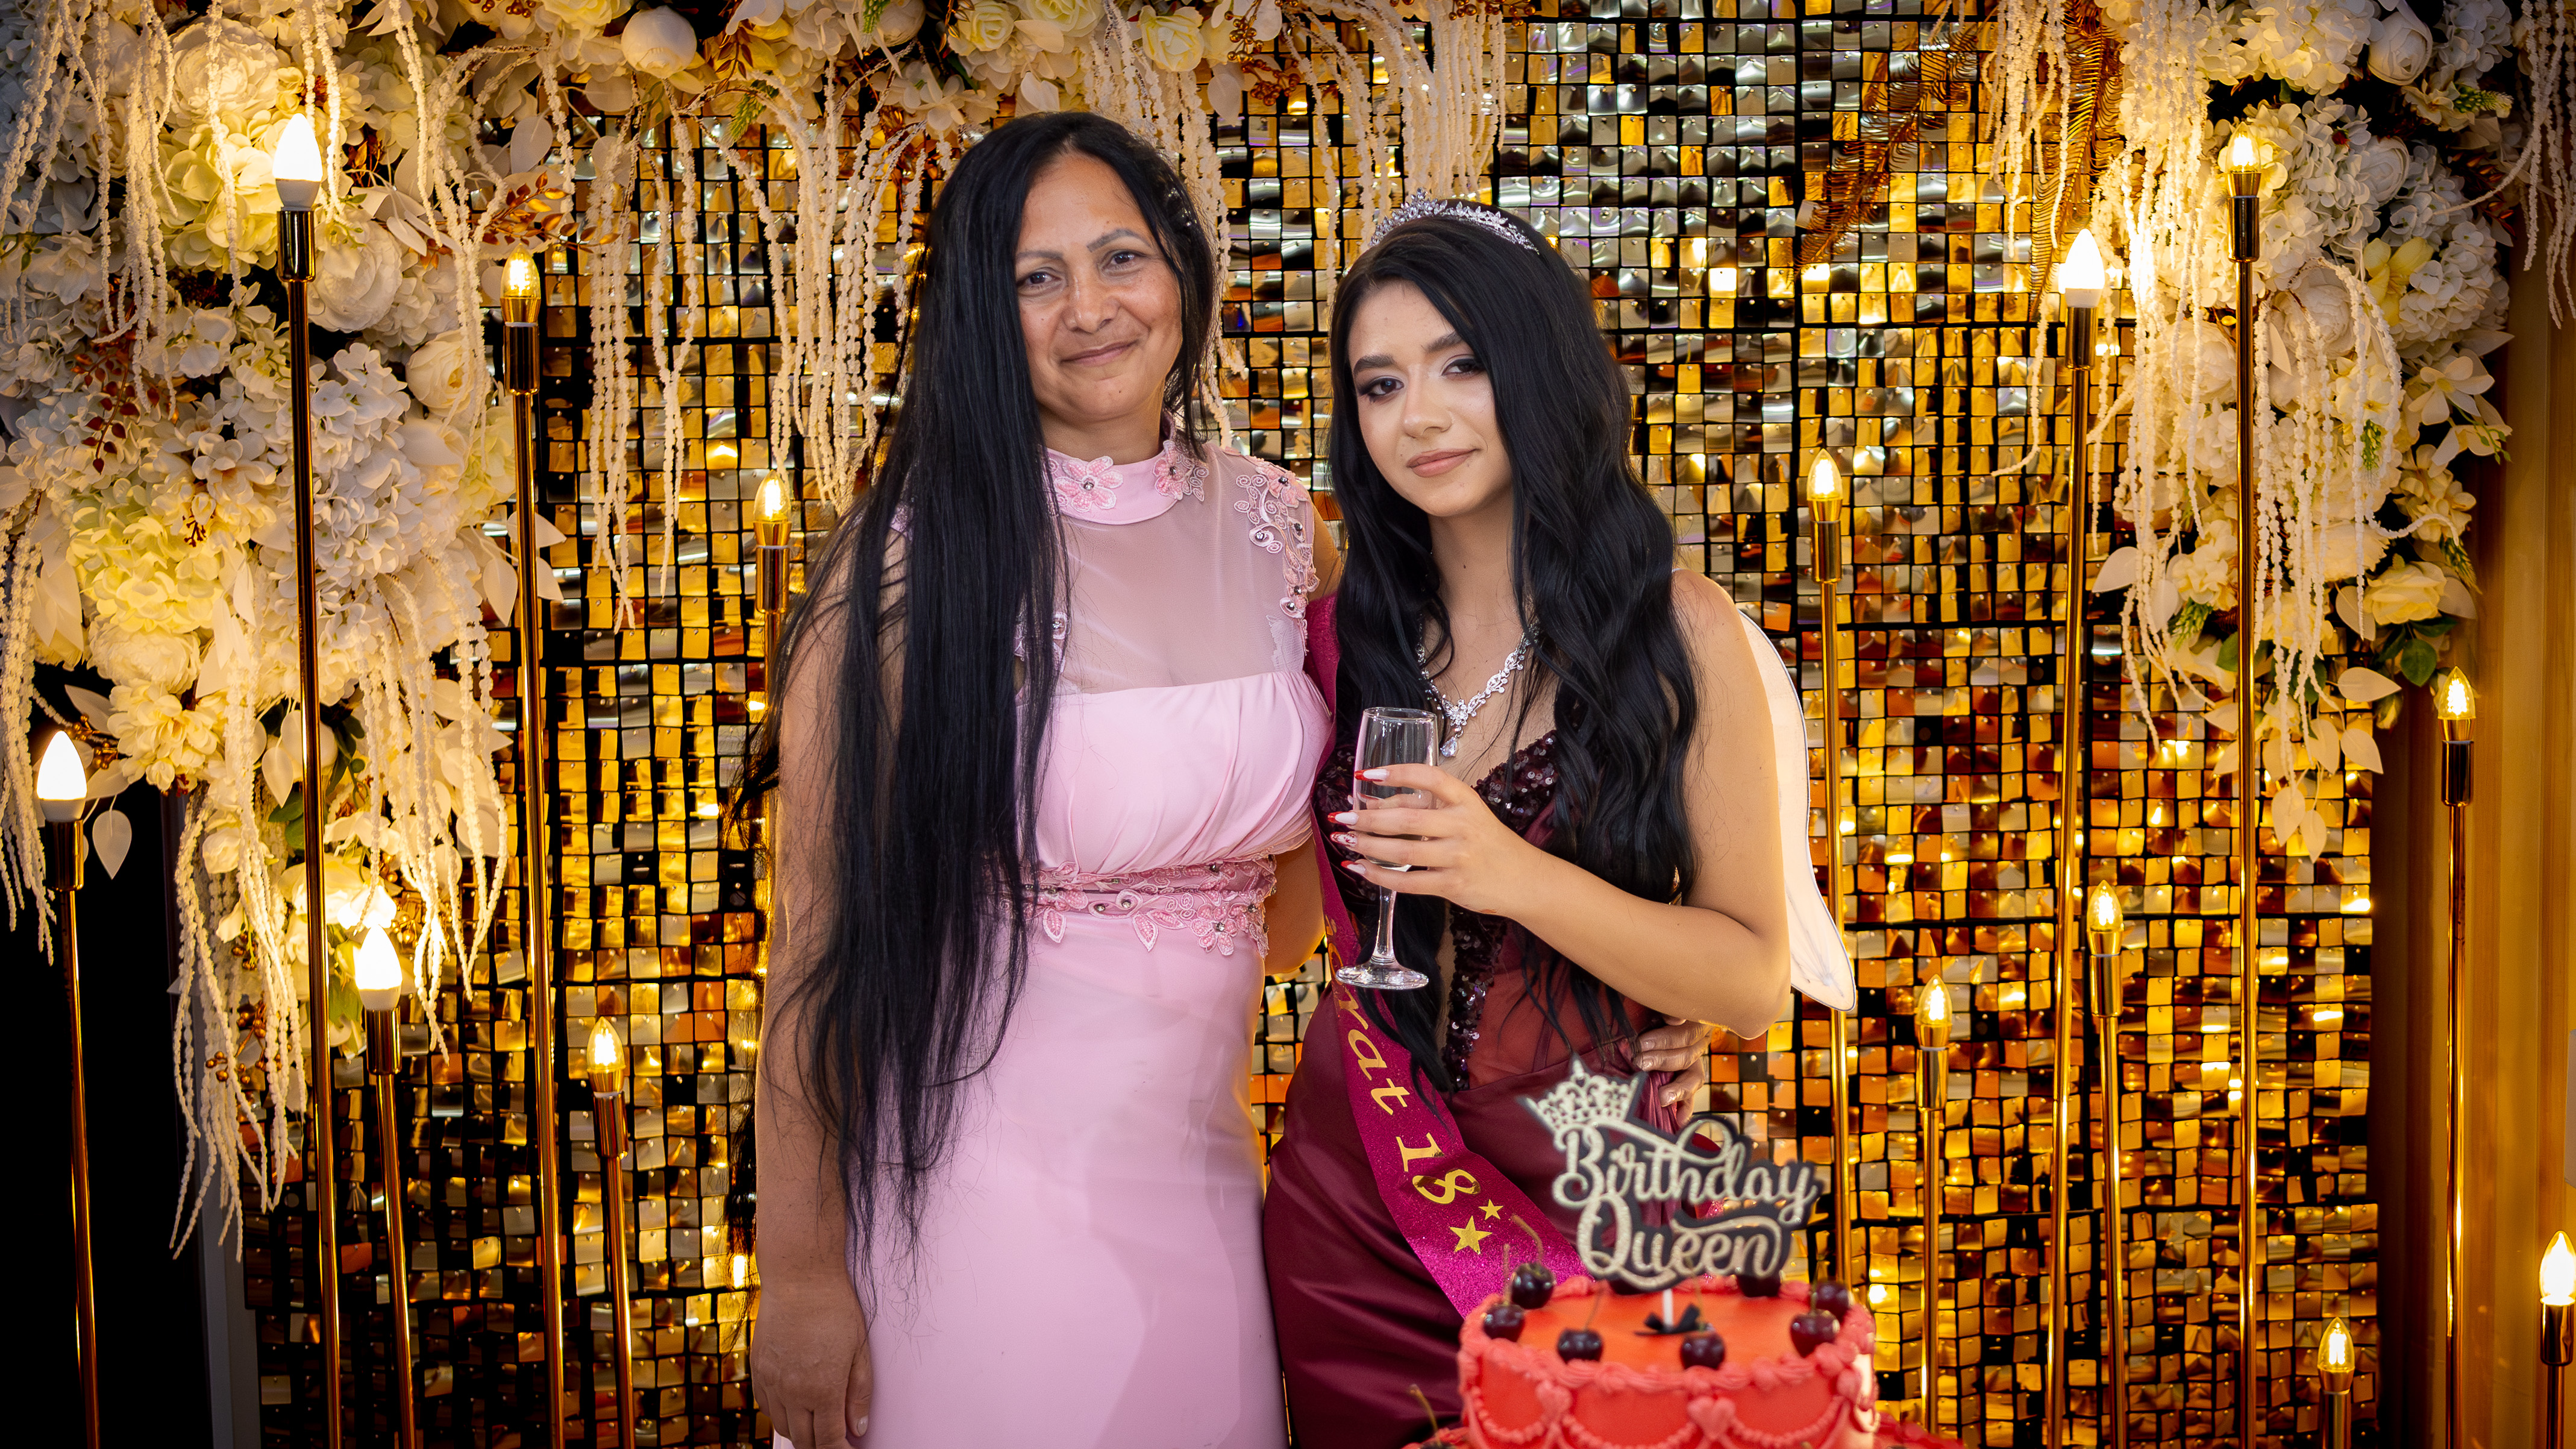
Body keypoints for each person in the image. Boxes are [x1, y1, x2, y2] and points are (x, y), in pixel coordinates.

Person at [741, 112, 1334, 1448]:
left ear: (1180, 270)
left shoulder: (1281, 524)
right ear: (980, 313)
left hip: (1205, 1190)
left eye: (1121, 256)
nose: (1090, 309)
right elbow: (815, 945)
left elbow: (1303, 899)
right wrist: (802, 1273)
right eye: (1035, 276)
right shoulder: (907, 559)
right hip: (968, 1199)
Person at [1264, 198, 1828, 1447]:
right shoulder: (1333, 632)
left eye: (1460, 365)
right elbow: (1280, 926)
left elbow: (1750, 983)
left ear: (1539, 365)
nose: (1418, 415)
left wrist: (1509, 873)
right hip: (1354, 1194)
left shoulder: (1673, 632)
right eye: (1379, 383)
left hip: (1591, 1190)